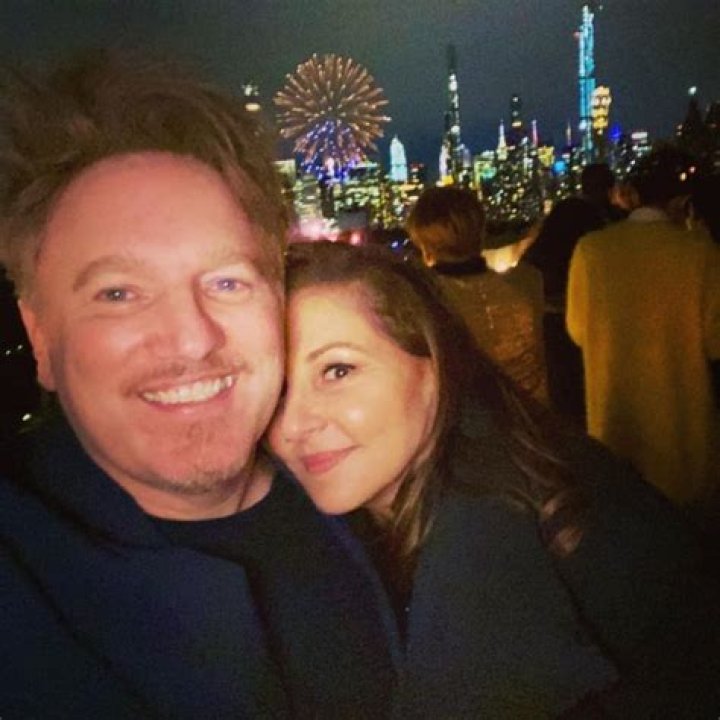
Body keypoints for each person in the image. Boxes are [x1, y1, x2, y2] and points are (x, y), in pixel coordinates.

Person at [0, 52, 398, 718]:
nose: (191, 339)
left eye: (227, 282)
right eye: (119, 293)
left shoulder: (389, 496)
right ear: (40, 339)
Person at [269, 240, 720, 719]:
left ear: (434, 365)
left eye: (338, 370)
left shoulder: (494, 521)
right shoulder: (397, 497)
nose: (292, 425)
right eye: (275, 387)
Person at [566, 147, 720, 507]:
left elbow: (577, 329)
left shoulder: (591, 250)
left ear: (633, 196)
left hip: (615, 429)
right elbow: (716, 342)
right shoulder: (701, 253)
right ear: (683, 203)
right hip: (683, 438)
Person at [407, 186, 548, 404]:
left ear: (425, 247)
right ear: (481, 232)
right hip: (531, 416)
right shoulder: (527, 282)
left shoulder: (420, 301)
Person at [525, 163, 626, 425]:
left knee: (564, 397)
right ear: (611, 189)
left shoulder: (564, 212)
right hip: (598, 317)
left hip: (555, 315)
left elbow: (533, 259)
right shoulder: (612, 223)